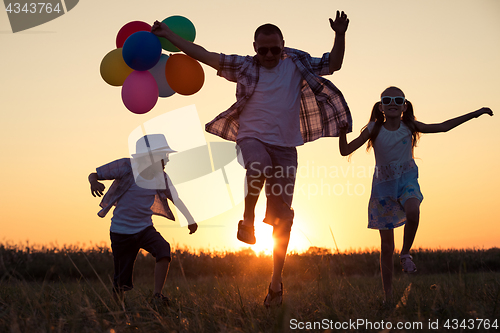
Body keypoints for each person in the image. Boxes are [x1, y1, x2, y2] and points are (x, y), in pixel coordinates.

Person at [152, 11, 352, 307]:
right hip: (252, 138)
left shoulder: (297, 62)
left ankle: (275, 285)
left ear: (283, 44)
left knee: (283, 220)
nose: (269, 55)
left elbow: (333, 64)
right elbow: (204, 55)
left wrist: (339, 34)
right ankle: (247, 220)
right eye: (263, 50)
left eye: (275, 49)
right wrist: (169, 36)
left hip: (286, 147)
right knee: (257, 165)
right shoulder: (244, 65)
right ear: (254, 47)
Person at [339, 86, 493, 303]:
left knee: (413, 211)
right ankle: (389, 297)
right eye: (388, 99)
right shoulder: (374, 128)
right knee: (385, 247)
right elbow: (345, 151)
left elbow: (443, 127)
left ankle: (405, 254)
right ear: (381, 106)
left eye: (398, 100)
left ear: (404, 106)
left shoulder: (409, 126)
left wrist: (474, 113)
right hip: (383, 188)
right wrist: (342, 132)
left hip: (407, 181)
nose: (393, 103)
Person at [89, 134, 198, 304]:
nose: (166, 161)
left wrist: (190, 220)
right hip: (121, 232)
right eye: (164, 156)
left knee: (163, 249)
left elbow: (175, 199)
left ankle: (157, 295)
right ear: (150, 157)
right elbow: (94, 174)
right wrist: (94, 183)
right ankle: (117, 309)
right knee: (121, 279)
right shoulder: (126, 167)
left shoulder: (162, 177)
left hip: (145, 229)